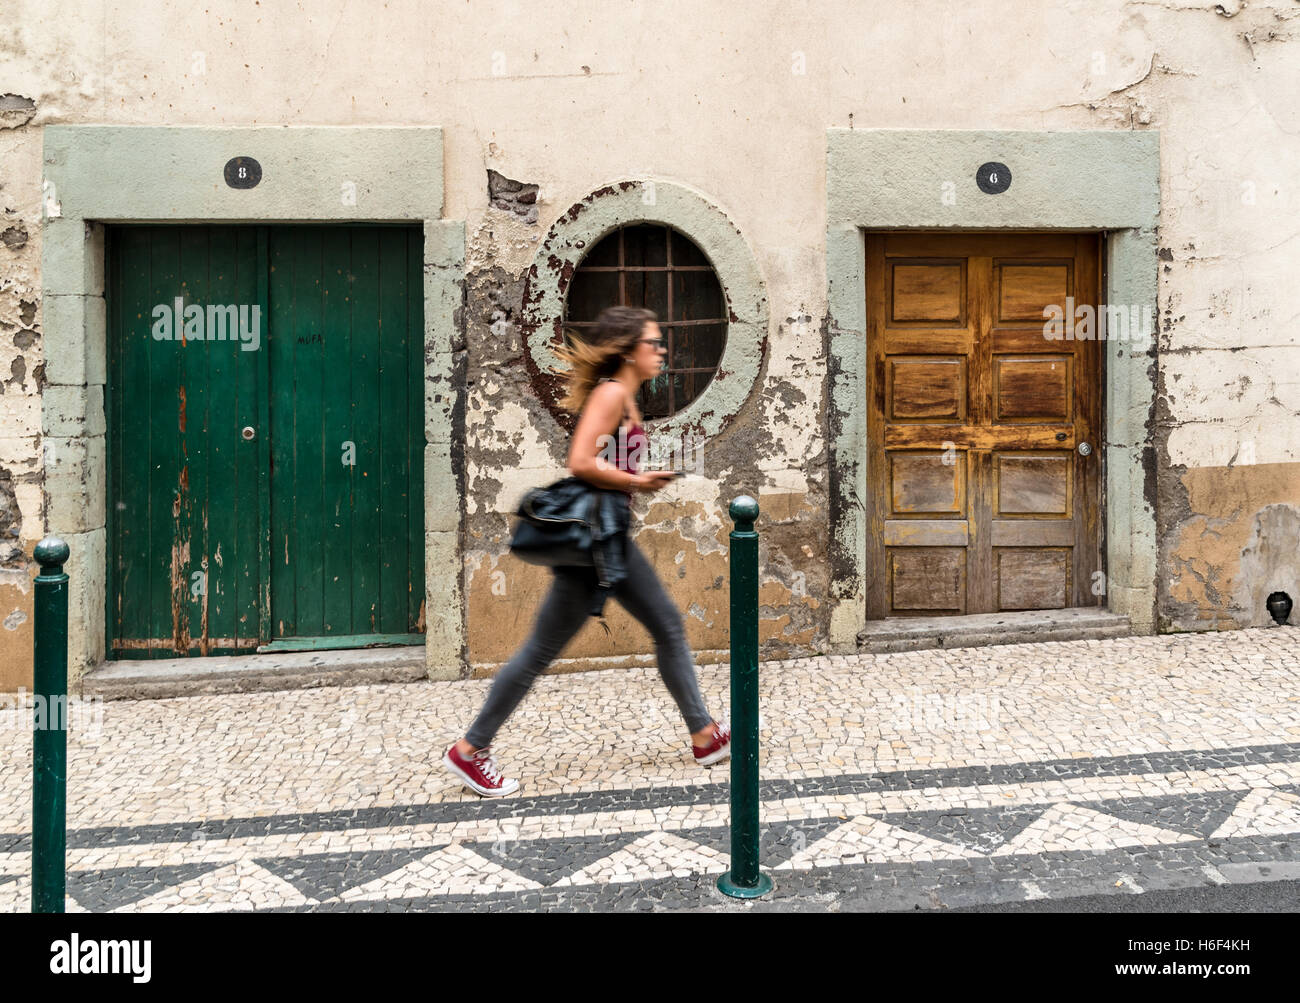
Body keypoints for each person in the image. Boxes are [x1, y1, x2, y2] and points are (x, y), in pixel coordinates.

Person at [442, 305, 730, 797]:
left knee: (665, 627)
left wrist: (636, 478)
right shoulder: (613, 392)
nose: (660, 350)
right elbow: (580, 461)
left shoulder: (627, 397)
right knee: (541, 651)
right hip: (597, 544)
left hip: (609, 539)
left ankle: (704, 735)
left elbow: (605, 459)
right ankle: (470, 751)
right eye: (652, 342)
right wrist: (636, 480)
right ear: (628, 350)